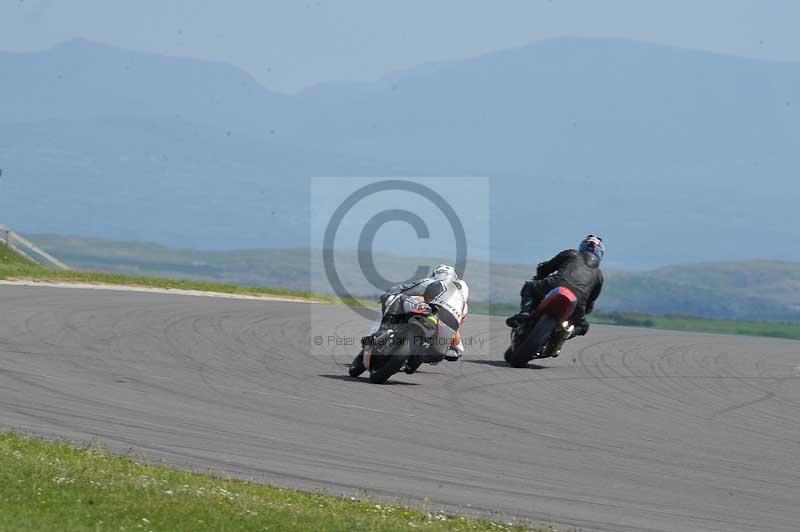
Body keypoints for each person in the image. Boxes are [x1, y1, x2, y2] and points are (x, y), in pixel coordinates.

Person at [349, 264, 469, 376]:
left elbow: (402, 289)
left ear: (435, 275)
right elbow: (458, 325)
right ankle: (413, 361)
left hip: (431, 313)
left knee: (396, 298)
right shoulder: (463, 304)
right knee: (436, 355)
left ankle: (381, 331)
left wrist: (386, 295)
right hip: (445, 336)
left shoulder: (433, 281)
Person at [506, 235, 605, 338]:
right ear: (600, 254)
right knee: (583, 326)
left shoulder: (571, 254)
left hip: (554, 285)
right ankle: (567, 333)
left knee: (529, 287)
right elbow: (591, 301)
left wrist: (539, 277)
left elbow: (546, 268)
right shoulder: (599, 275)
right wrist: (583, 313)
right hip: (579, 303)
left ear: (582, 247)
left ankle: (525, 313)